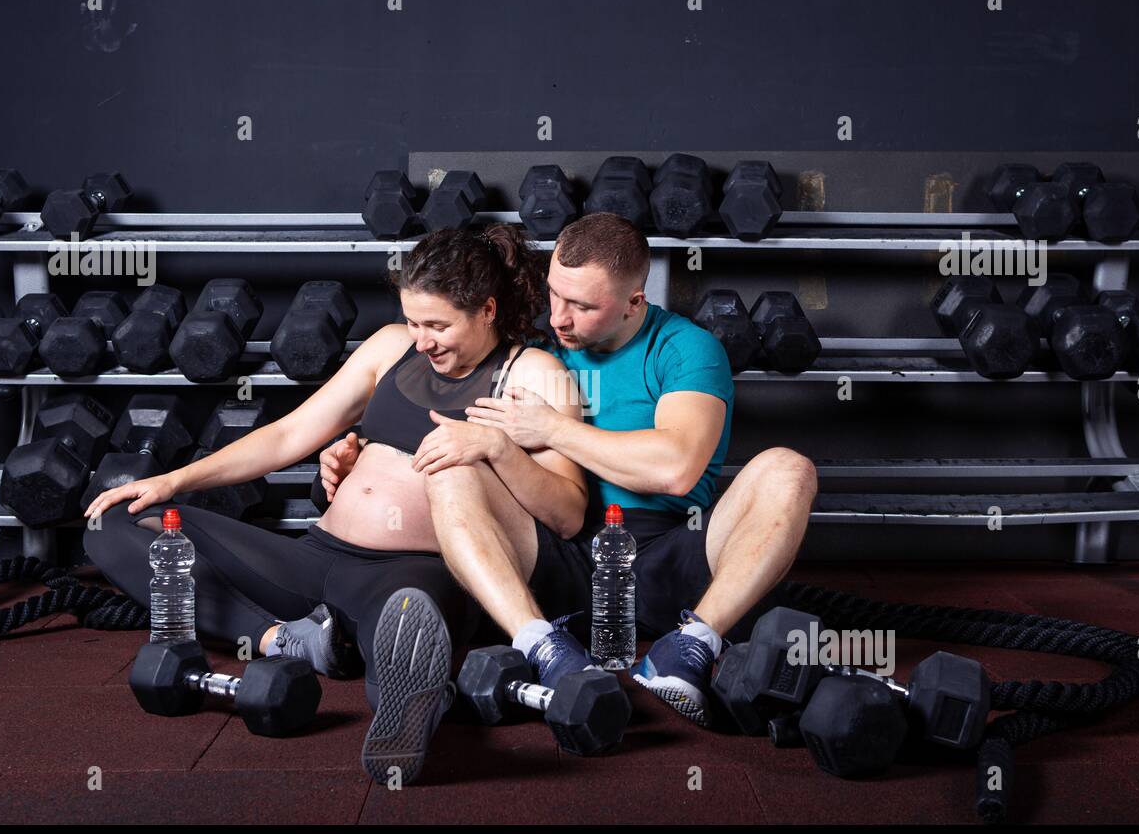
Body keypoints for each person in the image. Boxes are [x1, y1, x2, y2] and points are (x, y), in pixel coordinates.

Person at [83, 224, 592, 784]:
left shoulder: (537, 373)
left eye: (438, 325)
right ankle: (290, 640)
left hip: (415, 572)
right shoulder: (390, 347)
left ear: (488, 310)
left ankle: (403, 706)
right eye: (414, 321)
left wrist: (497, 447)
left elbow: (567, 515)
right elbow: (287, 435)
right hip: (318, 559)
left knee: (406, 637)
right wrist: (173, 481)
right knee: (117, 521)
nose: (422, 340)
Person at [323, 212, 817, 728]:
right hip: (560, 554)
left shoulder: (685, 348)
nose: (559, 317)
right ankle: (542, 645)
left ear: (634, 301)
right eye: (555, 294)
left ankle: (691, 646)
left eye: (582, 305)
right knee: (457, 463)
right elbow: (447, 431)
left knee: (789, 468)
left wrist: (554, 430)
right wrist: (356, 456)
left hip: (670, 551)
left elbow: (676, 469)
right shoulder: (535, 353)